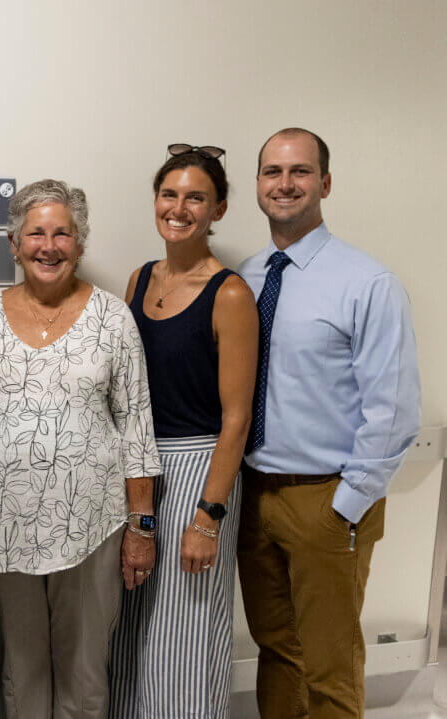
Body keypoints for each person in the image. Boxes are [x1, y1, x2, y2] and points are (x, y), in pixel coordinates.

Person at [238, 128, 421, 718]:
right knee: (276, 652)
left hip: (326, 499)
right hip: (254, 494)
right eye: (272, 171)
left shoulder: (367, 283)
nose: (285, 184)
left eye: (300, 171)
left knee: (329, 665)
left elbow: (393, 408)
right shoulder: (246, 278)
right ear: (257, 184)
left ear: (326, 182)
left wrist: (348, 502)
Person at [0, 179, 160, 718]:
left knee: (85, 675)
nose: (48, 246)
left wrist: (142, 528)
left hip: (92, 526)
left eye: (62, 233)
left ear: (80, 243)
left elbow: (136, 427)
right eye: (36, 234)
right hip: (4, 531)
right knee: (20, 673)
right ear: (14, 243)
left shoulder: (112, 319)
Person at [109, 145, 259, 717]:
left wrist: (207, 518)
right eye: (169, 194)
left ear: (218, 209)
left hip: (199, 470)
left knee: (185, 633)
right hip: (140, 469)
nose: (179, 208)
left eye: (196, 198)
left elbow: (237, 419)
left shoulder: (230, 294)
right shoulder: (139, 279)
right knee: (134, 624)